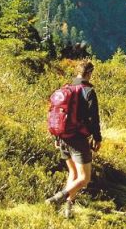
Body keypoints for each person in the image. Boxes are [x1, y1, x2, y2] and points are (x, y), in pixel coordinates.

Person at [45, 60, 102, 218]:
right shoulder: (88, 91)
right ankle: (57, 198)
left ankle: (67, 210)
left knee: (73, 173)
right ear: (89, 73)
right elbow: (94, 119)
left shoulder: (67, 89)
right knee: (84, 178)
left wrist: (57, 137)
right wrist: (97, 138)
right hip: (78, 138)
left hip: (62, 136)